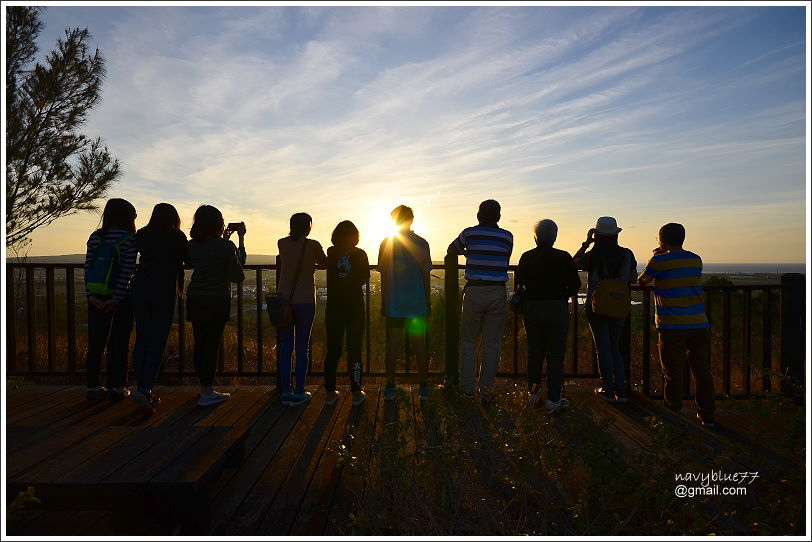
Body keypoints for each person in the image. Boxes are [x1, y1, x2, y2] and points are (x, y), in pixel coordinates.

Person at [637, 223, 715, 427]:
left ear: (661, 240)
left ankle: (672, 415)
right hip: (699, 323)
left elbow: (642, 281)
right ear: (683, 238)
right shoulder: (695, 259)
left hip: (672, 326)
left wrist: (656, 256)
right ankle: (707, 415)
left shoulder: (659, 260)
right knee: (702, 371)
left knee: (672, 372)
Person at [447, 200, 513, 401]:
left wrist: (468, 253)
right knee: (491, 345)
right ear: (499, 217)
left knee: (468, 342)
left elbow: (452, 250)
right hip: (497, 292)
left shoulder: (469, 234)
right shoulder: (507, 236)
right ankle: (487, 391)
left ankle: (467, 390)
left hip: (474, 291)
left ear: (478, 216)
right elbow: (505, 257)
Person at [130, 203, 190, 415]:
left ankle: (140, 387)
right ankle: (145, 388)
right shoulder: (177, 236)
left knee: (143, 338)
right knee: (158, 341)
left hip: (140, 288)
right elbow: (189, 260)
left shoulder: (143, 234)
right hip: (163, 290)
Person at [515, 219, 581, 410]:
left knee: (534, 351)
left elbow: (520, 281)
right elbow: (575, 285)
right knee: (555, 354)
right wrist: (561, 295)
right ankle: (554, 399)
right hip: (556, 308)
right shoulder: (563, 257)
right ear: (555, 236)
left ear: (535, 237)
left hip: (532, 308)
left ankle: (533, 394)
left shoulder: (526, 256)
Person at [186, 205, 246, 407]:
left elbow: (197, 260)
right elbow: (238, 274)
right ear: (218, 223)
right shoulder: (226, 247)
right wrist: (240, 240)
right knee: (211, 346)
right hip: (216, 300)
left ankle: (203, 387)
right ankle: (207, 391)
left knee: (200, 343)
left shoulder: (191, 245)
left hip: (195, 298)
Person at [573, 217, 637, 403]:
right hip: (619, 306)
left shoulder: (593, 255)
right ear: (616, 235)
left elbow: (573, 263)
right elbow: (633, 278)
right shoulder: (627, 254)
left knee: (604, 346)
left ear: (598, 235)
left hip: (596, 306)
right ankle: (622, 389)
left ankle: (607, 389)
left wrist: (586, 243)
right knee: (615, 346)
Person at [84, 198, 138, 403]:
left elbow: (88, 268)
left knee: (96, 343)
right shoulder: (128, 239)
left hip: (96, 296)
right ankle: (118, 386)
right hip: (121, 299)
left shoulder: (96, 236)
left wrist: (92, 296)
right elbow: (127, 270)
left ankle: (93, 387)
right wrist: (117, 298)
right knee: (119, 342)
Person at [378, 205, 432, 402]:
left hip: (394, 303)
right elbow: (426, 274)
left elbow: (383, 274)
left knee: (393, 343)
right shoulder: (422, 243)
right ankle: (424, 385)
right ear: (411, 220)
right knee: (419, 344)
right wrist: (427, 300)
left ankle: (390, 385)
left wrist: (384, 300)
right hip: (416, 303)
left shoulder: (386, 243)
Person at [277, 212, 327, 406]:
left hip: (284, 302)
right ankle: (299, 391)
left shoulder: (282, 243)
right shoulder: (313, 245)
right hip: (305, 300)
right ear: (308, 227)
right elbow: (325, 262)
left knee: (285, 348)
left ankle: (285, 391)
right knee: (302, 347)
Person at [324, 220, 370, 407]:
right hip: (355, 306)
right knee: (355, 350)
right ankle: (356, 392)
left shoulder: (331, 253)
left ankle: (329, 392)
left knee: (333, 350)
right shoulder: (361, 254)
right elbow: (364, 279)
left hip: (334, 306)